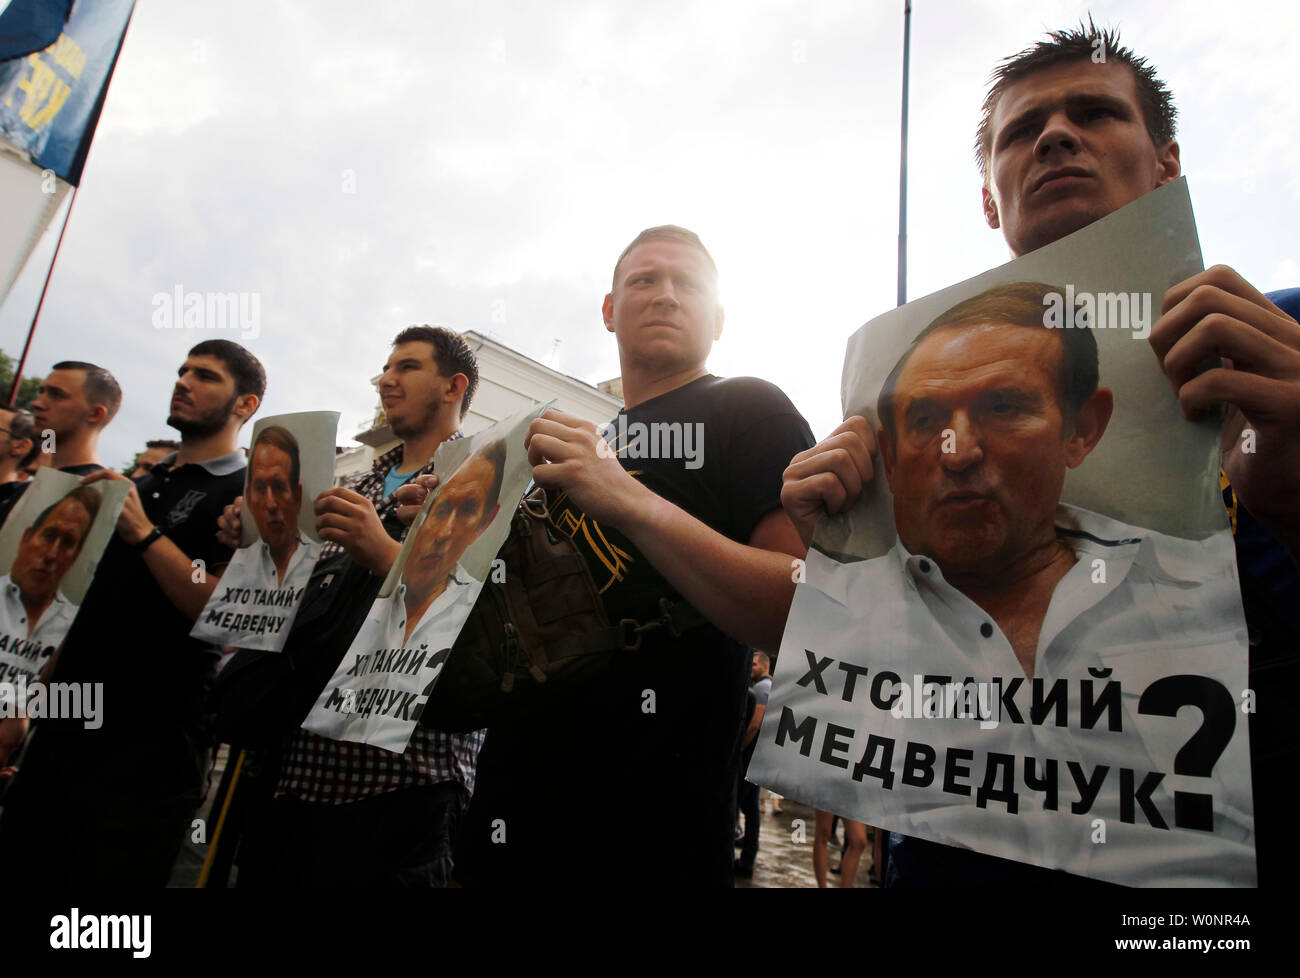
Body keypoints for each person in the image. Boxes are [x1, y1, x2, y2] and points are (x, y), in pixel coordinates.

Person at [781, 21, 1300, 886]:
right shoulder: (897, 401)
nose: (1057, 135)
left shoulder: (1278, 341)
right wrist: (843, 568)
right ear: (989, 200)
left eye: (1095, 113)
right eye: (1022, 131)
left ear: (1167, 163)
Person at [455, 225, 815, 887]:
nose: (667, 296)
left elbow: (802, 607)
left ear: (720, 317)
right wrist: (440, 524)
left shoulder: (749, 407)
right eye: (644, 280)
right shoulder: (590, 438)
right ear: (609, 310)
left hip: (649, 834)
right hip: (507, 811)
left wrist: (628, 499)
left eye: (689, 284)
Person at [0, 339, 264, 885]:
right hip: (61, 733)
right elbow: (70, 612)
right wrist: (18, 706)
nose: (184, 381)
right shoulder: (137, 485)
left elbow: (225, 612)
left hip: (149, 752)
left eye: (206, 376)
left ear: (246, 405)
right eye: (182, 370)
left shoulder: (249, 495)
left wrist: (144, 532)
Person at [234, 325, 485, 888]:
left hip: (402, 783)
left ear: (454, 386)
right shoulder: (356, 483)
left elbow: (484, 620)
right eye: (385, 368)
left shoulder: (483, 480)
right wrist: (256, 540)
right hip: (295, 767)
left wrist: (384, 554)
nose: (386, 380)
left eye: (407, 367)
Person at [192, 426, 323, 650]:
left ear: (298, 495)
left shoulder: (322, 566)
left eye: (280, 487)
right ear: (248, 496)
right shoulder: (237, 546)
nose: (270, 504)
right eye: (260, 488)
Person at [0, 362, 120, 526]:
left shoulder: (97, 496)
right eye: (41, 392)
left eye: (56, 395)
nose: (37, 403)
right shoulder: (23, 490)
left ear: (95, 413)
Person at [0, 486, 100, 683]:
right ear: (25, 538)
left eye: (68, 542)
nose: (51, 555)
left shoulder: (74, 623)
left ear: (75, 556)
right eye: (49, 536)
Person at [734, 650, 772, 877]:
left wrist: (738, 750)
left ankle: (745, 859)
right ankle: (749, 854)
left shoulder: (761, 689)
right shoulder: (767, 687)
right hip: (759, 758)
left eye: (755, 664)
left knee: (737, 806)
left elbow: (755, 724)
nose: (752, 667)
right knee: (752, 810)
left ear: (765, 666)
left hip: (748, 758)